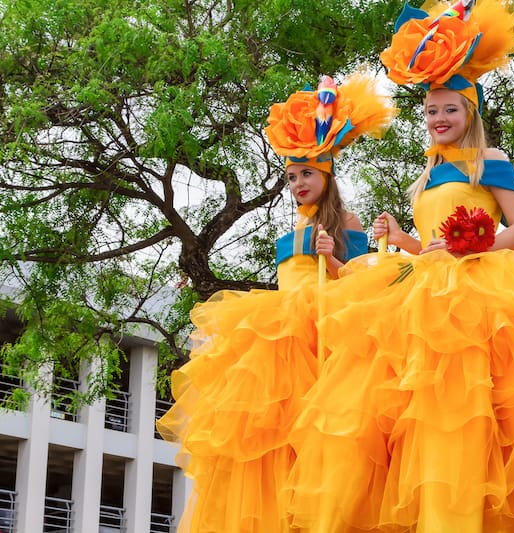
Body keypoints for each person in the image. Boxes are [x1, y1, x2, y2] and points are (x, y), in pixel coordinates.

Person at [283, 1, 514, 531]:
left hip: (484, 292)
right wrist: (402, 239)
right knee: (414, 418)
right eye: (432, 111)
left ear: (470, 113)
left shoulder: (491, 160)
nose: (438, 120)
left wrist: (474, 249)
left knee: (492, 413)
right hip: (422, 292)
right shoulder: (427, 172)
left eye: (449, 110)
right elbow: (431, 247)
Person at [156, 72, 396, 532]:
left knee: (317, 428)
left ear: (325, 174)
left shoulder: (346, 219)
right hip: (281, 331)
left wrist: (336, 261)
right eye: (291, 176)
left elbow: (368, 282)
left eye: (306, 174)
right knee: (270, 435)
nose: (298, 183)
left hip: (323, 326)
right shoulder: (291, 230)